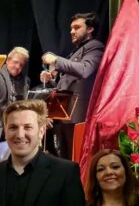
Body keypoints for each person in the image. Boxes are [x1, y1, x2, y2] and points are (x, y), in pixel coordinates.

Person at [40, 13, 105, 159]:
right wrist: (52, 78)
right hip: (64, 115)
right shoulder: (75, 51)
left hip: (78, 116)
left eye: (77, 27)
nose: (72, 32)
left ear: (90, 29)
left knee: (73, 158)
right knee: (63, 157)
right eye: (71, 28)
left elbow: (84, 70)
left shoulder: (95, 47)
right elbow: (68, 82)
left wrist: (56, 60)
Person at [0, 47, 31, 162]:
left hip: (14, 128)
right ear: (8, 60)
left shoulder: (25, 81)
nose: (17, 67)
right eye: (16, 62)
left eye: (21, 65)